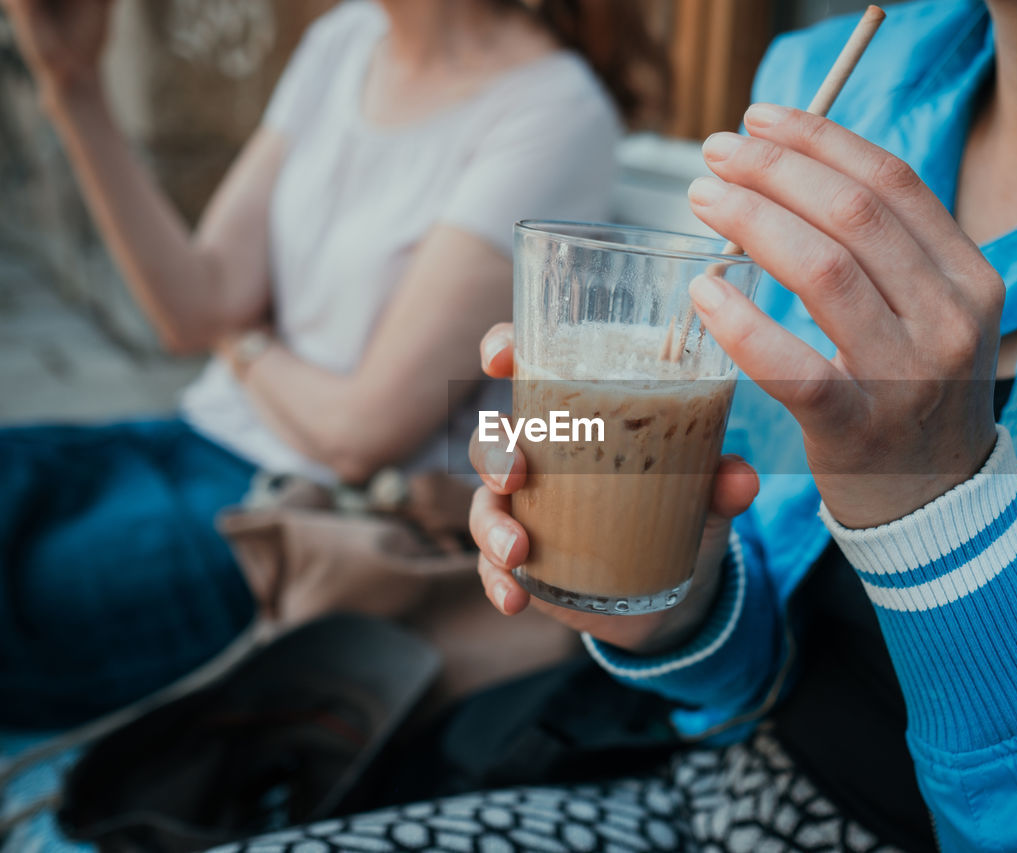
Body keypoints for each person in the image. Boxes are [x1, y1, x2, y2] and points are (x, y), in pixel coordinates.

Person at [236, 0, 1017, 850]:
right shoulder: (832, 81)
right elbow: (759, 670)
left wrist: (940, 520)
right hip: (703, 790)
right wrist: (674, 595)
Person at [0, 0, 662, 729]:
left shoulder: (553, 111)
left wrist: (246, 338)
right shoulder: (344, 41)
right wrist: (73, 86)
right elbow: (194, 307)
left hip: (295, 518)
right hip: (191, 436)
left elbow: (358, 436)